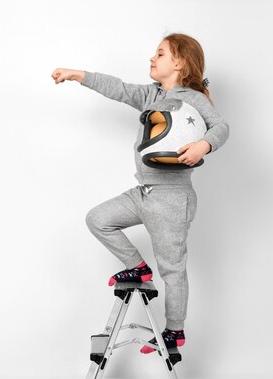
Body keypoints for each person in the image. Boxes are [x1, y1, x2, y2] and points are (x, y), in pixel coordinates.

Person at [50, 33, 230, 354]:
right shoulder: (150, 95)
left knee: (173, 269)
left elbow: (220, 126)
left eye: (159, 54)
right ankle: (137, 267)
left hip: (172, 199)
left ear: (179, 63)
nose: (152, 58)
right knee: (98, 219)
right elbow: (118, 88)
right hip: (143, 193)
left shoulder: (194, 99)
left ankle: (174, 331)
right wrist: (78, 75)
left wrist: (204, 144)